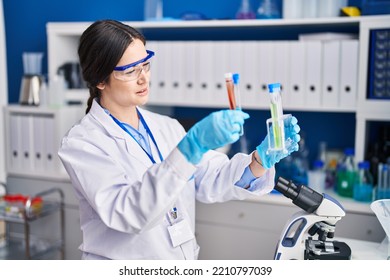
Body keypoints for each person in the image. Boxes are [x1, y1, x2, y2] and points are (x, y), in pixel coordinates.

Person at [58, 19, 301, 260]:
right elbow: (129, 212)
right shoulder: (82, 144)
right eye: (131, 71)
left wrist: (260, 160)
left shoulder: (166, 127)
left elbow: (210, 178)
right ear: (100, 80)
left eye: (146, 64)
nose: (143, 78)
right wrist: (190, 149)